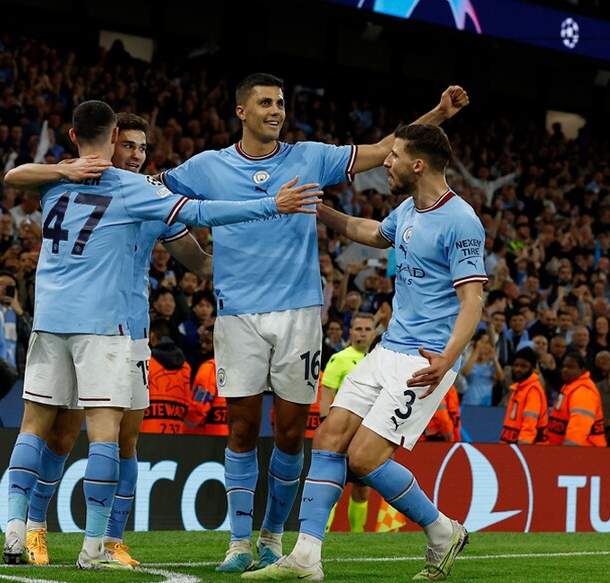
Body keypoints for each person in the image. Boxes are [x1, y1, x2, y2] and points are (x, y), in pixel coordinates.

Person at [158, 73, 469, 572]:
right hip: (237, 312)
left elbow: (385, 149)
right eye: (265, 102)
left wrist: (436, 115)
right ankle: (238, 544)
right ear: (242, 111)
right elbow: (154, 198)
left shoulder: (309, 156)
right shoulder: (206, 166)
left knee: (289, 435)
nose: (276, 110)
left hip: (301, 314)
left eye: (280, 102)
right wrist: (194, 258)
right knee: (240, 431)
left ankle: (273, 541)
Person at [0, 100, 320, 570]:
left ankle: (103, 541)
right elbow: (205, 212)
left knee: (118, 437)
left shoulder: (60, 182)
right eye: (126, 144)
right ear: (110, 141)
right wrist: (272, 205)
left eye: (142, 148)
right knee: (76, 435)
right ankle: (47, 534)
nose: (133, 154)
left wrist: (246, 266)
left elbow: (199, 260)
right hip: (102, 327)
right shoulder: (127, 190)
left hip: (100, 326)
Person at [244, 124, 482, 581]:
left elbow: (473, 299)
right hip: (387, 349)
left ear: (419, 164)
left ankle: (441, 530)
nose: (384, 164)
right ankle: (306, 558)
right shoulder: (411, 208)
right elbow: (374, 233)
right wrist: (320, 210)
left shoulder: (461, 221)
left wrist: (448, 359)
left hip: (425, 360)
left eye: (393, 157)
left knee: (365, 459)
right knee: (329, 439)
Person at [318, 312, 377, 533]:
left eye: (367, 329)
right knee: (333, 487)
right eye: (359, 329)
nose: (363, 333)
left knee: (362, 488)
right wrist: (327, 427)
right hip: (343, 434)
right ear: (350, 332)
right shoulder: (339, 359)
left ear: (374, 333)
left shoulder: (380, 360)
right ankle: (322, 535)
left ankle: (357, 537)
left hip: (369, 435)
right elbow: (326, 395)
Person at [141, 318, 193, 435]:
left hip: (146, 433)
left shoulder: (146, 362)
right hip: (176, 434)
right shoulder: (186, 367)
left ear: (152, 335)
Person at [546, 352, 607, 447]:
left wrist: (568, 452)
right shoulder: (570, 387)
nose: (565, 370)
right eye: (564, 366)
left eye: (570, 367)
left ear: (582, 370)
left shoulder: (584, 391)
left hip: (584, 453)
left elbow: (579, 427)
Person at [499, 347, 548, 445]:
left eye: (523, 366)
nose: (518, 369)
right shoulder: (518, 388)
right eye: (516, 365)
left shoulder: (533, 390)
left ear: (533, 368)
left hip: (526, 451)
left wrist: (521, 451)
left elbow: (529, 427)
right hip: (512, 445)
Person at [459, 331, 503, 406]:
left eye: (488, 343)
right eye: (484, 342)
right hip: (469, 404)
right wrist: (477, 350)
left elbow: (501, 378)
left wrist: (494, 358)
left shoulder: (491, 366)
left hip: (486, 405)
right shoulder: (467, 363)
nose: (486, 346)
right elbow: (465, 372)